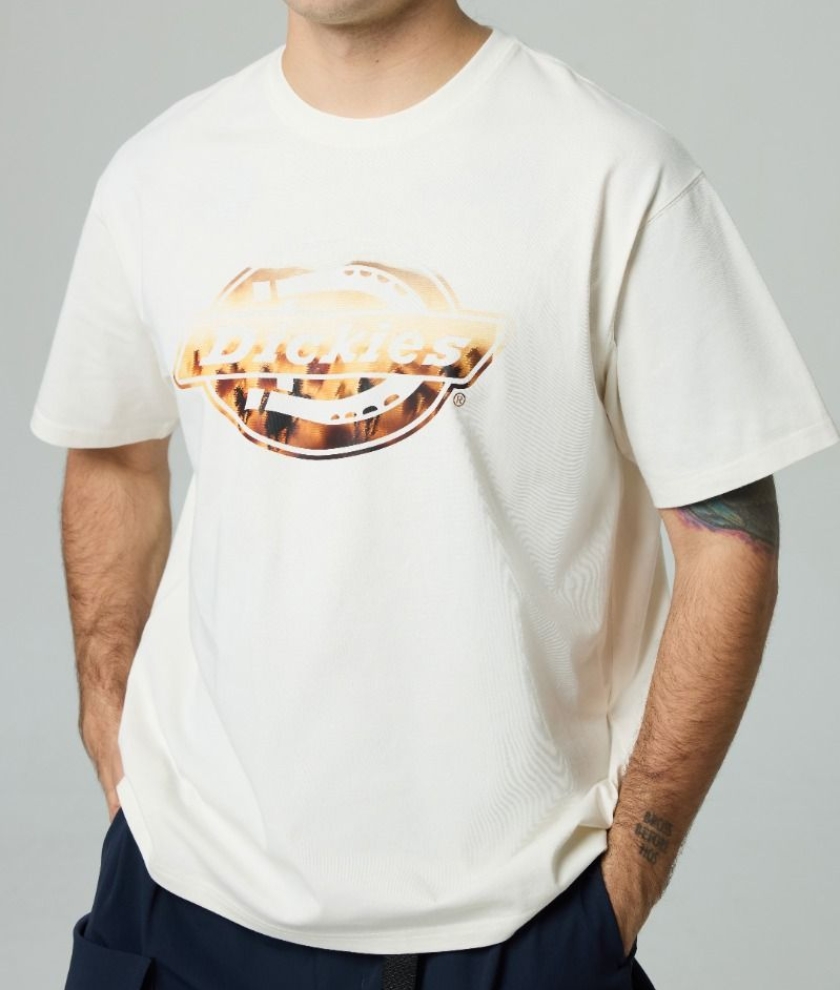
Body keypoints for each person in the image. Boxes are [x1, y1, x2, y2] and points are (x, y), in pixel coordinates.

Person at [32, 1, 839, 988]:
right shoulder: (157, 175)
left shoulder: (615, 174)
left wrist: (633, 868)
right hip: (173, 903)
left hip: (507, 932)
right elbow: (112, 456)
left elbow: (728, 531)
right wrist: (109, 719)